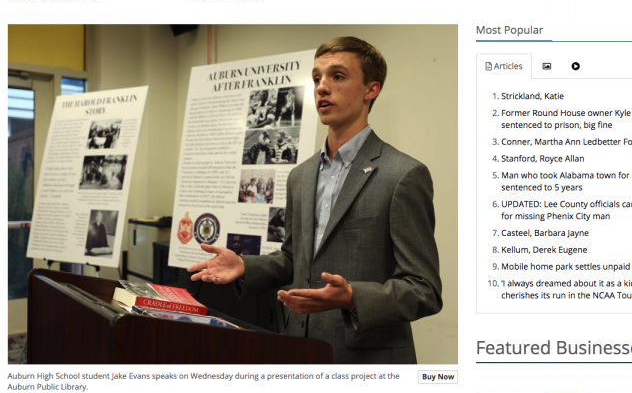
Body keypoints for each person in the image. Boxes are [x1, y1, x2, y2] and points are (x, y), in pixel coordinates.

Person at [188, 37, 442, 364]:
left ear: (371, 90)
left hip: (366, 359)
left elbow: (424, 290)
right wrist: (244, 266)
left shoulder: (403, 175)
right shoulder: (301, 176)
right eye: (317, 78)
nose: (322, 87)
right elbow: (295, 259)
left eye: (337, 76)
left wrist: (352, 297)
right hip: (299, 351)